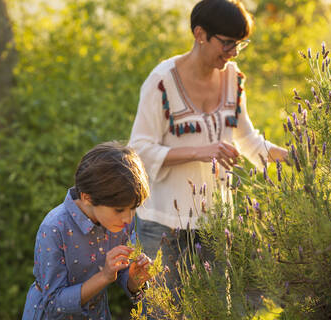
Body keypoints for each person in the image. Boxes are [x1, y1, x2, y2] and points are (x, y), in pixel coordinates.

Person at [128, 0, 288, 301]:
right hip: (162, 225)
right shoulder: (161, 82)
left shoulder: (233, 79)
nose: (234, 53)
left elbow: (248, 139)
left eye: (240, 44)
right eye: (228, 44)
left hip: (215, 224)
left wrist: (290, 156)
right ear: (200, 34)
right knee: (161, 310)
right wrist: (201, 151)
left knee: (215, 308)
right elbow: (138, 150)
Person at [22, 142, 152, 319]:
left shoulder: (121, 222)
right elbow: (53, 304)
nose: (129, 219)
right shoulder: (54, 228)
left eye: (134, 208)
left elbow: (123, 274)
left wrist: (134, 279)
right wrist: (104, 276)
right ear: (87, 198)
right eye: (119, 210)